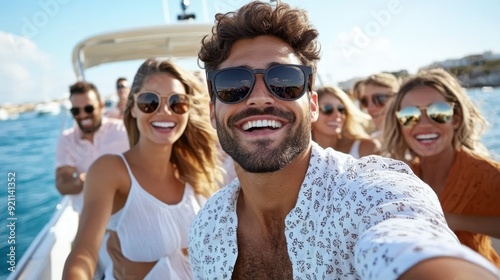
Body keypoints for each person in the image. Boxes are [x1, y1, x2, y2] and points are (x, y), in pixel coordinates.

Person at [188, 1, 500, 279]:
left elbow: (406, 238)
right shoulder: (206, 229)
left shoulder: (371, 194)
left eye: (284, 81)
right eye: (233, 85)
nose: (258, 98)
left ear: (311, 105)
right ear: (213, 111)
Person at [63, 58, 224, 279]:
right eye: (150, 101)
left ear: (187, 110)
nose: (165, 111)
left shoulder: (193, 172)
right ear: (133, 109)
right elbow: (83, 254)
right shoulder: (111, 170)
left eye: (177, 102)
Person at [382, 68, 500, 267]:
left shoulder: (488, 174)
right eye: (409, 115)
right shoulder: (400, 178)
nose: (425, 124)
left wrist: (452, 220)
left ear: (456, 119)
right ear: (399, 124)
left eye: (439, 112)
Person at [55, 81, 129, 213]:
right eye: (76, 110)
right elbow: (62, 185)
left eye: (89, 108)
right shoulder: (67, 140)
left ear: (101, 106)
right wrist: (83, 181)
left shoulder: (123, 131)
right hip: (87, 217)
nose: (83, 115)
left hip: (126, 214)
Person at [311, 85, 379, 158]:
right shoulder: (301, 155)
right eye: (327, 108)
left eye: (341, 109)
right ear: (312, 111)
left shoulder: (367, 147)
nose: (337, 114)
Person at [357, 72, 400, 139]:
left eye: (380, 98)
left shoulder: (415, 137)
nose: (370, 108)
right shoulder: (372, 142)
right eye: (365, 101)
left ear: (398, 98)